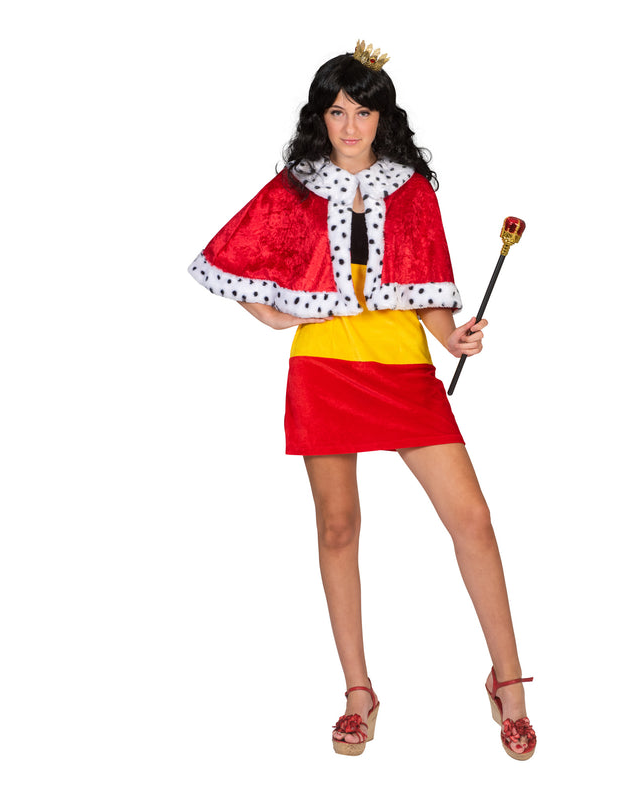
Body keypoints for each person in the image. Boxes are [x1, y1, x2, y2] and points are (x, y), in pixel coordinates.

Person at [188, 41, 536, 760]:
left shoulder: (410, 188)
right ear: (321, 116)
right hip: (324, 366)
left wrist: (453, 337)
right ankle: (358, 692)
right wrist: (274, 314)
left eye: (363, 112)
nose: (350, 126)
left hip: (401, 364)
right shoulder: (298, 186)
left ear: (384, 117)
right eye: (337, 111)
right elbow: (230, 256)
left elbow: (427, 287)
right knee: (338, 527)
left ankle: (508, 681)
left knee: (472, 519)